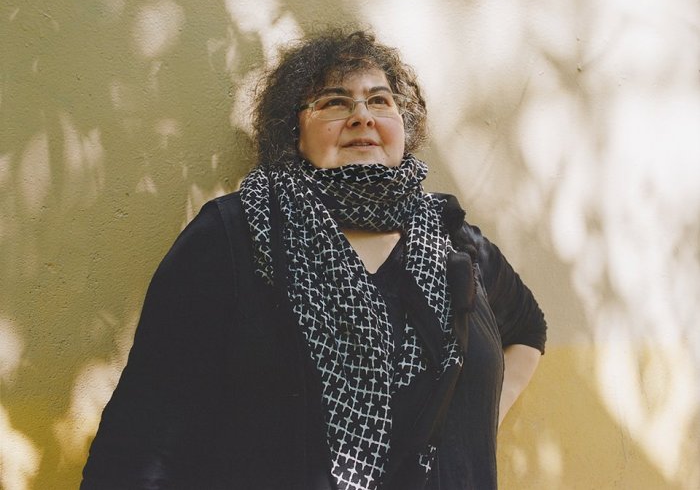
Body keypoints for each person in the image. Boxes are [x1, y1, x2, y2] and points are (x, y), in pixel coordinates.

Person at [81, 28, 546, 490]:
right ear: (294, 130)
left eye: (379, 101)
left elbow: (528, 327)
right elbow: (139, 448)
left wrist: (470, 435)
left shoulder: (453, 239)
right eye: (335, 103)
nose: (362, 116)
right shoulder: (232, 237)